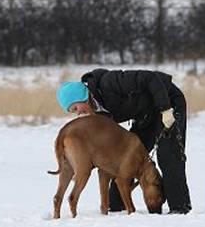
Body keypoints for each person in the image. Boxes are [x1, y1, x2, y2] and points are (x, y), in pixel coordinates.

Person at [56, 69, 192, 214]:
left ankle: (179, 207)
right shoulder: (97, 113)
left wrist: (165, 109)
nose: (78, 113)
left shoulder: (109, 82)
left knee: (168, 154)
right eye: (73, 111)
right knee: (127, 158)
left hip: (168, 101)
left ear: (82, 96)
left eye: (76, 107)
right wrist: (82, 166)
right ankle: (116, 206)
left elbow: (150, 78)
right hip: (145, 115)